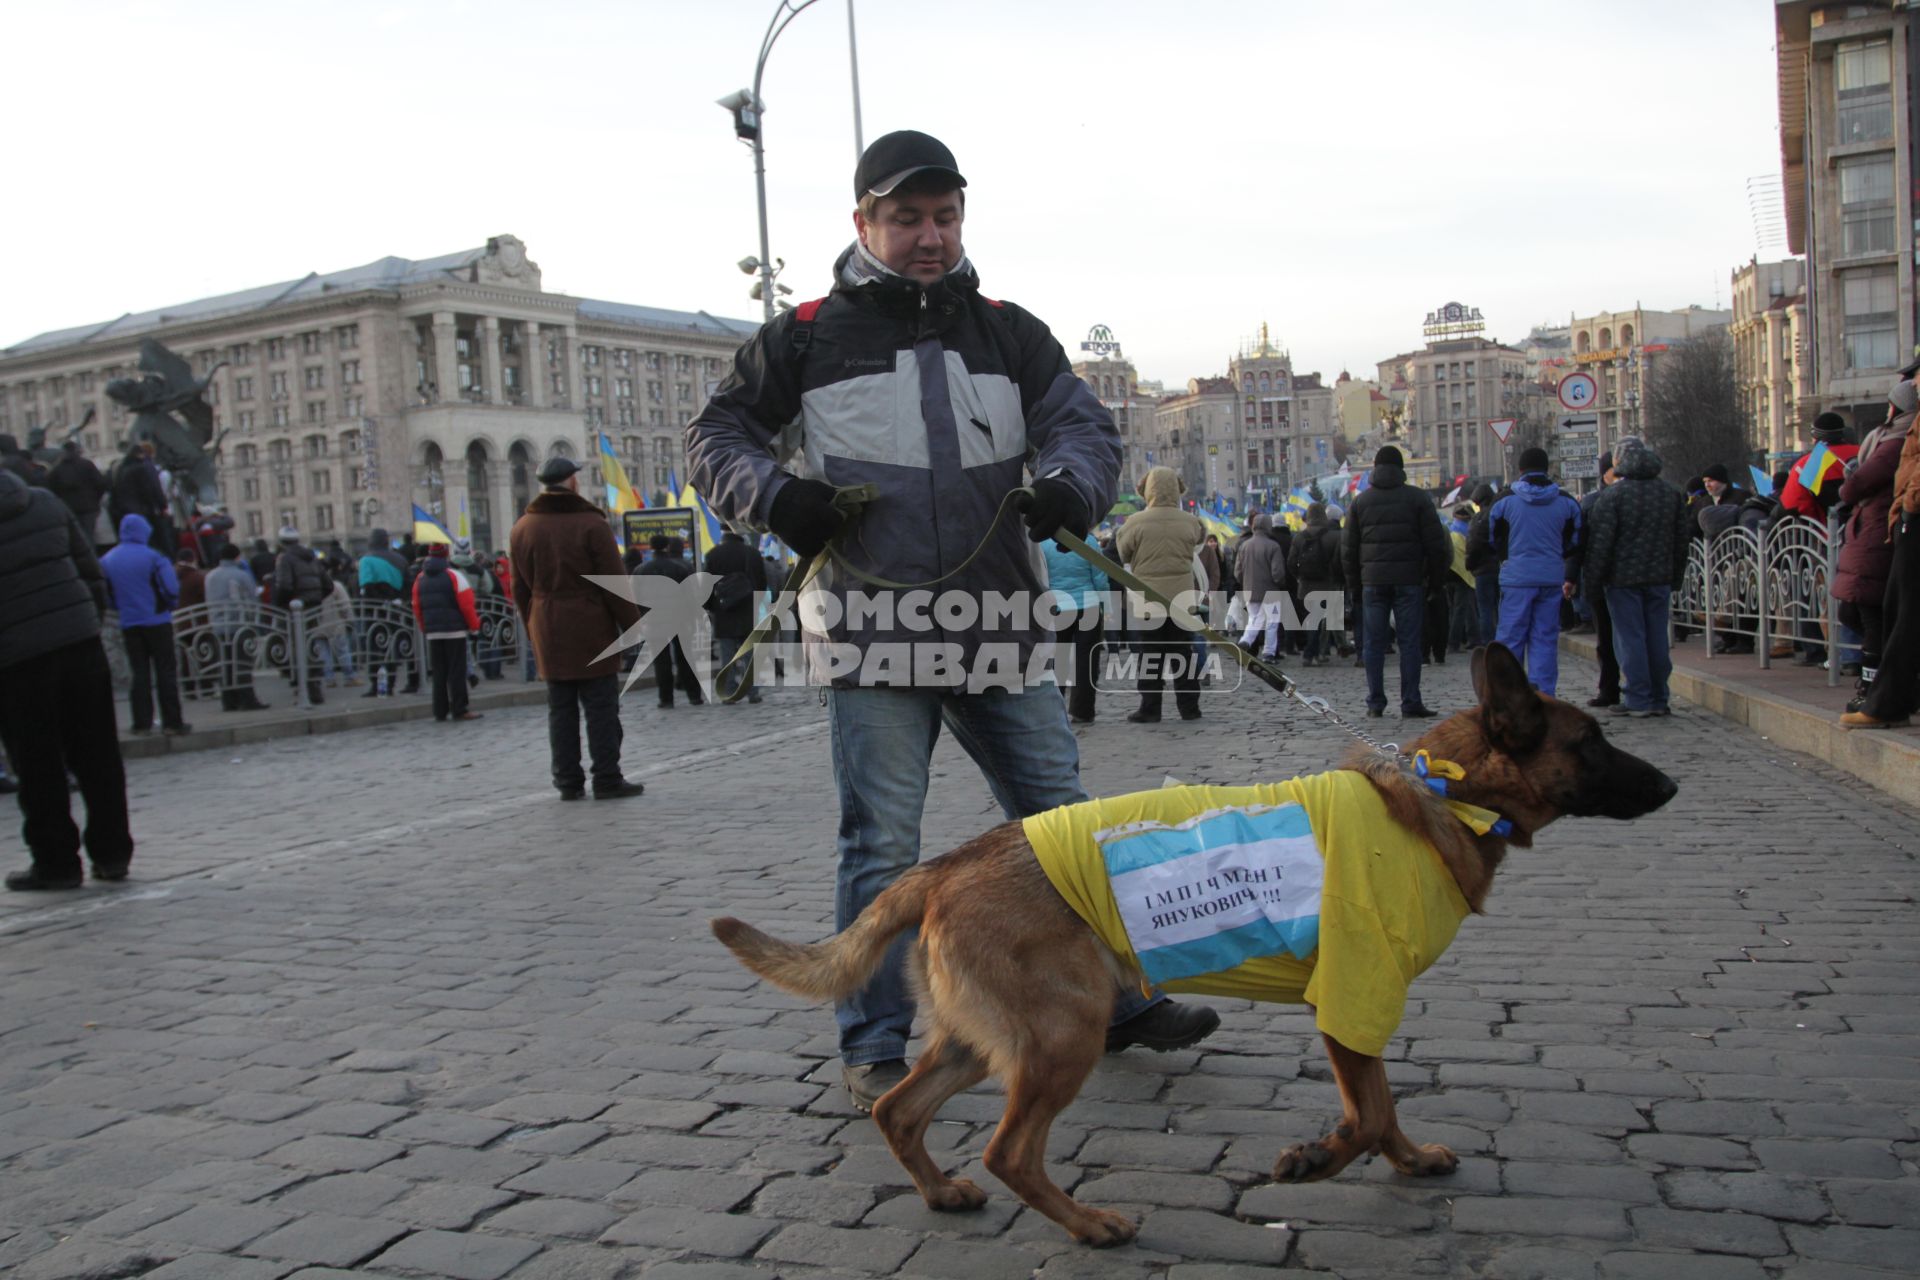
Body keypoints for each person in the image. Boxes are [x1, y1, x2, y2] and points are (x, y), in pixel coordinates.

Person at [688, 128, 1218, 1110]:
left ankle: (1122, 999)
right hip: (872, 635)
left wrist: (1071, 486)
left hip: (999, 626)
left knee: (1064, 825)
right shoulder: (804, 334)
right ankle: (876, 1042)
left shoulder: (1010, 329)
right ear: (864, 223)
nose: (929, 236)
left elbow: (1081, 427)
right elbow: (717, 434)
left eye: (944, 216)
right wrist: (776, 495)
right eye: (906, 218)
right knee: (882, 845)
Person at [0, 469, 135, 890]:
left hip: (16, 655)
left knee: (38, 763)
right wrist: (86, 622)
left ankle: (57, 862)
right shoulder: (43, 501)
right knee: (98, 753)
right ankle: (112, 854)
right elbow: (89, 567)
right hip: (79, 639)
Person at [508, 456, 645, 799]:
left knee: (561, 710)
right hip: (590, 625)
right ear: (571, 482)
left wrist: (533, 625)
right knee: (601, 707)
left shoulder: (523, 527)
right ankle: (607, 777)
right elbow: (614, 582)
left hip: (547, 624)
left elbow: (519, 588)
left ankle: (567, 782)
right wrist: (632, 627)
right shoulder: (591, 524)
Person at [1581, 438, 1690, 718]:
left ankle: (1638, 697)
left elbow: (1601, 545)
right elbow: (1681, 541)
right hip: (1660, 578)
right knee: (1657, 638)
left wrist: (1592, 585)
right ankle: (1659, 696)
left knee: (1630, 639)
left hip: (1622, 580)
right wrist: (1675, 577)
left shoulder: (1613, 496)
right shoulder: (1672, 493)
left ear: (1620, 462)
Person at [1343, 446, 1449, 718]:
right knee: (1410, 643)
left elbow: (1349, 551)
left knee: (1373, 644)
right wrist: (1435, 583)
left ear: (1375, 469)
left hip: (1372, 583)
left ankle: (1375, 703)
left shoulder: (1360, 502)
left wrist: (1355, 588)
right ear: (1401, 469)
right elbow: (1436, 545)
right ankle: (1411, 701)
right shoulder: (1418, 498)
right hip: (1409, 581)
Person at [1842, 378, 1919, 729]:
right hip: (1897, 522)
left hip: (1904, 523)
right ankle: (1890, 700)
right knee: (1895, 614)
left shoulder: (1895, 436)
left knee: (1901, 617)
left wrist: (1909, 506)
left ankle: (1886, 702)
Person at [1489, 446, 1582, 696]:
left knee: (1511, 640)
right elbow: (1575, 540)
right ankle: (1544, 697)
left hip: (1516, 579)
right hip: (1550, 578)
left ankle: (1509, 697)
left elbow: (1490, 538)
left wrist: (1505, 558)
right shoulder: (1565, 501)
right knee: (1544, 640)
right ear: (1547, 468)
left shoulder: (1505, 501)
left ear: (1520, 470)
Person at [1116, 467, 1206, 722]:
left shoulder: (1134, 523)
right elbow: (1198, 543)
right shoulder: (1191, 522)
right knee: (1184, 655)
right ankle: (1190, 708)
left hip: (1148, 601)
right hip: (1181, 600)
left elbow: (1122, 554)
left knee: (1150, 656)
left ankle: (1150, 707)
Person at [100, 513, 189, 737]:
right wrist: (169, 605)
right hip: (157, 620)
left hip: (129, 623)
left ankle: (141, 723)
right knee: (166, 672)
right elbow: (171, 589)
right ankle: (172, 722)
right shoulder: (154, 557)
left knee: (139, 674)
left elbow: (106, 593)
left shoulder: (108, 559)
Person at [1042, 534, 1109, 723]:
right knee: (1087, 661)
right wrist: (1106, 604)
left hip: (1057, 607)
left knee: (1058, 661)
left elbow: (1040, 576)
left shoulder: (1044, 543)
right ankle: (1083, 711)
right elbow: (1099, 574)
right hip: (1088, 606)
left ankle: (1055, 709)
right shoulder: (1087, 541)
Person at [412, 544, 482, 722]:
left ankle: (440, 710)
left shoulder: (420, 578)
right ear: (446, 555)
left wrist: (424, 626)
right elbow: (467, 605)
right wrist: (474, 626)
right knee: (456, 671)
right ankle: (459, 708)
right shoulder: (454, 575)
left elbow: (417, 605)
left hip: (433, 631)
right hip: (455, 630)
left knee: (438, 672)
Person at [634, 535, 706, 707]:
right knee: (685, 657)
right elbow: (689, 596)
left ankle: (666, 698)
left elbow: (635, 597)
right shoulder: (678, 568)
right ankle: (694, 695)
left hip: (653, 620)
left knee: (661, 661)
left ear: (651, 547)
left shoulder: (641, 570)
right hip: (679, 618)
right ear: (667, 546)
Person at [704, 527, 769, 704]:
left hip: (723, 610)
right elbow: (762, 582)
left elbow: (706, 586)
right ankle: (752, 691)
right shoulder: (752, 554)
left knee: (727, 654)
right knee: (749, 653)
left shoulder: (712, 555)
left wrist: (711, 607)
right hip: (748, 609)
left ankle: (729, 692)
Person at [1577, 455, 1621, 707]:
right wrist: (1573, 576)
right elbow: (1580, 544)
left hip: (1625, 578)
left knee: (1632, 637)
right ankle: (1610, 688)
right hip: (1601, 580)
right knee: (1605, 639)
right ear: (1604, 473)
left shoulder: (1628, 496)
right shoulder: (1593, 502)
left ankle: (1642, 690)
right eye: (1614, 470)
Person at [205, 543, 265, 711]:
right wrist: (255, 620)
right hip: (239, 624)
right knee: (242, 663)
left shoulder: (210, 576)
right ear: (237, 557)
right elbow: (252, 599)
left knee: (225, 663)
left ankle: (229, 701)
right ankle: (248, 700)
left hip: (217, 625)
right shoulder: (241, 575)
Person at [272, 526, 327, 706]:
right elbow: (328, 584)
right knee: (309, 645)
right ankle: (314, 687)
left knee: (295, 649)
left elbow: (285, 586)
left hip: (295, 609)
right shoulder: (312, 558)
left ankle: (305, 690)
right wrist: (315, 599)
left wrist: (281, 603)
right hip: (312, 608)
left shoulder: (284, 558)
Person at [1286, 502, 1343, 666]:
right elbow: (1339, 562)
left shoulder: (1299, 537)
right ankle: (1317, 653)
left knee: (1312, 621)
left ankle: (1309, 655)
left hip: (1306, 586)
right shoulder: (1334, 536)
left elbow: (1291, 562)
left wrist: (1299, 576)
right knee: (1324, 621)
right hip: (1328, 585)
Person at [1231, 512, 1289, 664]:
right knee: (1272, 623)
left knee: (1254, 619)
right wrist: (1280, 583)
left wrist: (1245, 582)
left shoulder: (1244, 545)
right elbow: (1277, 572)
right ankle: (1269, 653)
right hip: (1271, 591)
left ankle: (1245, 641)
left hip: (1250, 589)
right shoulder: (1273, 546)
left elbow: (1237, 571)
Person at [1779, 413, 1857, 522]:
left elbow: (1793, 504)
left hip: (1827, 533)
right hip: (1872, 529)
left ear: (1816, 436)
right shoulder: (1867, 453)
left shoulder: (1807, 464)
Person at [108, 441, 170, 550]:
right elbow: (153, 488)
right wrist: (162, 505)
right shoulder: (143, 467)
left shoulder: (120, 468)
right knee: (152, 537)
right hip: (143, 508)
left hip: (124, 510)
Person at [47, 440, 108, 545]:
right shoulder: (87, 464)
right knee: (89, 537)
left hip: (68, 509)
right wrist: (95, 501)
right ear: (76, 450)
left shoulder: (57, 469)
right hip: (89, 507)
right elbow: (101, 484)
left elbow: (51, 490)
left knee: (73, 539)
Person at [1464, 481, 1502, 645]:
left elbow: (1473, 545)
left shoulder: (1478, 519)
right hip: (1500, 567)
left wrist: (1470, 565)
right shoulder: (1500, 514)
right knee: (1499, 607)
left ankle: (1488, 643)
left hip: (1483, 570)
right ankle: (1502, 640)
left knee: (1485, 609)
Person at [316, 566, 360, 689]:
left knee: (323, 653)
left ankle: (329, 679)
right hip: (336, 623)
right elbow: (345, 605)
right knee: (343, 650)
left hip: (318, 624)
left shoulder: (313, 588)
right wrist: (350, 620)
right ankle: (349, 676)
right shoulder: (336, 586)